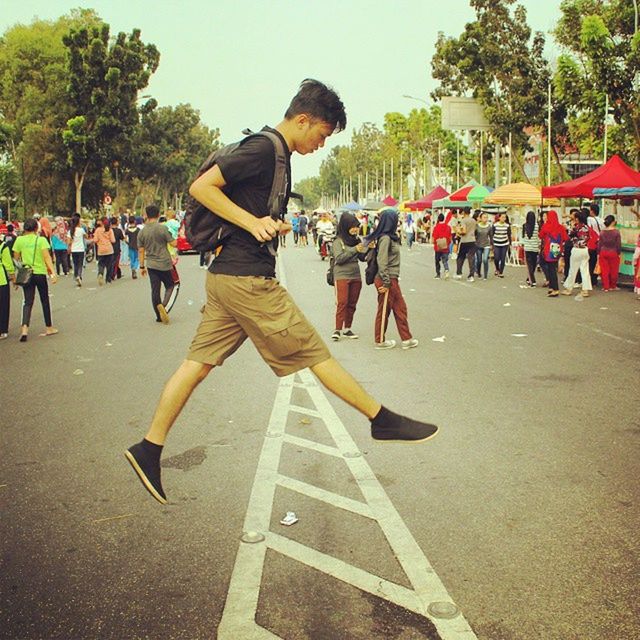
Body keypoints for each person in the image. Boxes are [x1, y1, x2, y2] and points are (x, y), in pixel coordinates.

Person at [125, 79, 438, 504]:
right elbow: (200, 188)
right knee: (315, 352)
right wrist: (253, 223)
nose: (322, 144)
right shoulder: (261, 149)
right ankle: (380, 419)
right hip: (248, 280)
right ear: (303, 119)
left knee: (196, 365)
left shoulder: (280, 157)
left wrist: (267, 223)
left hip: (225, 278)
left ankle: (149, 448)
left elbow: (243, 206)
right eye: (323, 134)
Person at [367, 208, 418, 350]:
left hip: (391, 278)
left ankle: (406, 338)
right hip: (386, 278)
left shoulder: (390, 237)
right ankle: (380, 340)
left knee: (399, 308)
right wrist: (386, 281)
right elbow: (382, 261)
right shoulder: (385, 238)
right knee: (384, 310)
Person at [12, 217, 58, 340]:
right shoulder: (41, 240)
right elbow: (47, 258)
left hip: (26, 273)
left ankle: (24, 329)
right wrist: (53, 273)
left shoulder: (19, 240)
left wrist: (16, 277)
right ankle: (49, 327)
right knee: (44, 300)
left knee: (27, 302)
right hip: (39, 273)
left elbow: (16, 259)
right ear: (36, 228)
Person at [331, 212, 367, 341]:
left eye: (357, 227)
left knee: (352, 303)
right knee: (342, 303)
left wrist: (369, 248)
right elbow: (339, 258)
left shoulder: (356, 240)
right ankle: (337, 329)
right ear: (346, 226)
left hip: (356, 275)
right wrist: (355, 249)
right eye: (353, 226)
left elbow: (362, 258)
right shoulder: (338, 241)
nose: (356, 229)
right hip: (341, 275)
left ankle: (348, 328)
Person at [138, 205, 176, 324]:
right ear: (158, 214)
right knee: (170, 285)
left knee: (155, 290)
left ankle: (158, 315)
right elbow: (173, 243)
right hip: (165, 263)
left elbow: (141, 250)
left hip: (151, 264)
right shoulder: (163, 229)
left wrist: (142, 266)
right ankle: (163, 307)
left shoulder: (142, 232)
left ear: (146, 215)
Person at [562, 209, 592, 297]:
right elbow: (589, 237)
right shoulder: (587, 228)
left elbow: (569, 236)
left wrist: (569, 227)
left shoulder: (576, 228)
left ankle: (569, 288)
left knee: (573, 269)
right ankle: (585, 290)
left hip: (576, 249)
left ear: (577, 219)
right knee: (585, 270)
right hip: (585, 249)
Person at [539, 210, 568, 297]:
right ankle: (551, 287)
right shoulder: (560, 227)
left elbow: (540, 236)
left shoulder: (546, 226)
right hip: (557, 250)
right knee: (553, 267)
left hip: (548, 250)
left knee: (551, 270)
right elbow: (565, 238)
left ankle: (555, 289)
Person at [597, 214, 621, 292]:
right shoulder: (616, 232)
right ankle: (613, 285)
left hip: (603, 252)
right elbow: (618, 244)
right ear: (613, 222)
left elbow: (599, 244)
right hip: (613, 252)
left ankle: (606, 286)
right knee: (613, 270)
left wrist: (598, 253)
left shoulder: (602, 232)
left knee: (604, 270)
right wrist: (619, 253)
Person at [454, 209, 476, 281]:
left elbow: (464, 231)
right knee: (471, 258)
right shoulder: (473, 220)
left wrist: (458, 231)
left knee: (460, 257)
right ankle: (471, 275)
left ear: (463, 212)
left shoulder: (463, 220)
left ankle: (459, 273)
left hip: (465, 240)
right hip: (472, 240)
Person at [0, 235, 15, 339]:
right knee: (3, 305)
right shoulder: (2, 246)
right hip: (2, 279)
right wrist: (13, 277)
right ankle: (3, 330)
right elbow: (8, 264)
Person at [94, 218, 115, 285]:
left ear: (102, 223)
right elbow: (113, 240)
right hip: (109, 249)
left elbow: (95, 240)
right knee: (109, 265)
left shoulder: (97, 230)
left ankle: (100, 273)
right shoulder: (110, 230)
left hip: (101, 250)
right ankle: (108, 279)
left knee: (101, 264)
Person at [521, 210, 540, 287]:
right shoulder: (537, 226)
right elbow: (539, 237)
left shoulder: (524, 225)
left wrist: (523, 244)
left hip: (527, 247)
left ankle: (531, 280)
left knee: (529, 265)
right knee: (534, 264)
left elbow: (522, 236)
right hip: (535, 247)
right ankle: (531, 279)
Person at [587, 202, 604, 285]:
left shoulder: (590, 219)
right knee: (595, 261)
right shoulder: (602, 220)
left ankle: (590, 279)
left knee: (590, 262)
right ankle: (594, 279)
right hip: (600, 243)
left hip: (592, 243)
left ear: (592, 211)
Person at [68, 213, 88, 286]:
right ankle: (79, 276)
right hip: (81, 249)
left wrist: (69, 247)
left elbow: (68, 242)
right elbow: (86, 236)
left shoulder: (70, 231)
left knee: (75, 264)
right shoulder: (81, 230)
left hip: (74, 250)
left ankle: (76, 275)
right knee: (80, 264)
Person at [490, 212, 511, 277]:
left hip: (504, 244)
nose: (503, 218)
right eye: (502, 217)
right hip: (496, 243)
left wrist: (510, 243)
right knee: (496, 258)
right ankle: (497, 268)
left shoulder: (507, 225)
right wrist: (492, 244)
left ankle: (501, 272)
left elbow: (509, 235)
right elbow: (492, 234)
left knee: (503, 258)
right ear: (499, 218)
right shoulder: (495, 225)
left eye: (505, 217)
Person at [432, 212, 452, 279]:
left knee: (437, 261)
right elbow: (450, 237)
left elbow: (434, 238)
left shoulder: (436, 227)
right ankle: (446, 270)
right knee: (445, 260)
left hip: (438, 247)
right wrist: (448, 243)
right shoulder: (448, 227)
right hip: (445, 246)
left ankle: (438, 274)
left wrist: (434, 242)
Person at [474, 212, 491, 280]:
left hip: (486, 245)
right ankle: (478, 272)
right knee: (479, 261)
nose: (485, 219)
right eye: (484, 217)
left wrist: (492, 245)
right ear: (480, 218)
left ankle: (485, 275)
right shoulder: (477, 226)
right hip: (478, 245)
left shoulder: (489, 226)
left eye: (486, 217)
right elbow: (474, 235)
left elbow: (491, 236)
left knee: (485, 260)